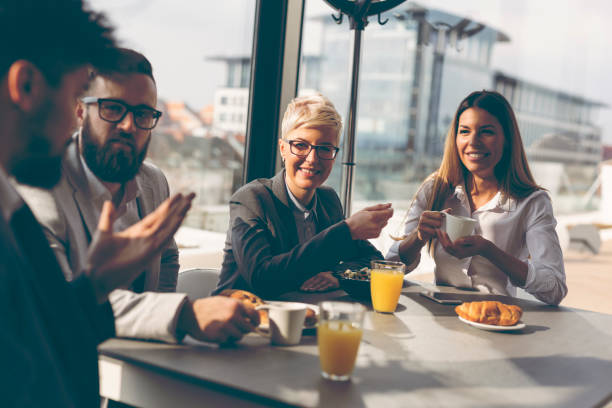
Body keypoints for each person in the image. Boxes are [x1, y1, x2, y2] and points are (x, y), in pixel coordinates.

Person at [0, 1, 195, 406]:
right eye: (76, 94)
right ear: (28, 87)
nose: (127, 125)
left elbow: (41, 339)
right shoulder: (28, 202)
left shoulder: (9, 204)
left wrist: (95, 285)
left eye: (142, 114)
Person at [18, 47, 260, 345]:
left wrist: (155, 334)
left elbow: (168, 257)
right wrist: (181, 314)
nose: (129, 125)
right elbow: (60, 300)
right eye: (112, 108)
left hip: (143, 360)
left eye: (143, 113)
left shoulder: (153, 181)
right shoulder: (42, 186)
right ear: (81, 110)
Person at [387, 90, 567, 305]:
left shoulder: (533, 202)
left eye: (486, 132)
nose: (473, 142)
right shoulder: (436, 189)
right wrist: (417, 237)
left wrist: (488, 250)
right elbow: (389, 266)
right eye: (464, 131)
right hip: (442, 319)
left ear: (507, 139)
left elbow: (554, 289)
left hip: (497, 322)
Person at [214, 93, 393, 298]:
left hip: (304, 320)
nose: (312, 159)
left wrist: (337, 275)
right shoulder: (251, 199)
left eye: (324, 148)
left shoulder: (328, 201)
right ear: (283, 148)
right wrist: (346, 230)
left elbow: (374, 261)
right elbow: (262, 277)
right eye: (300, 145)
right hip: (242, 320)